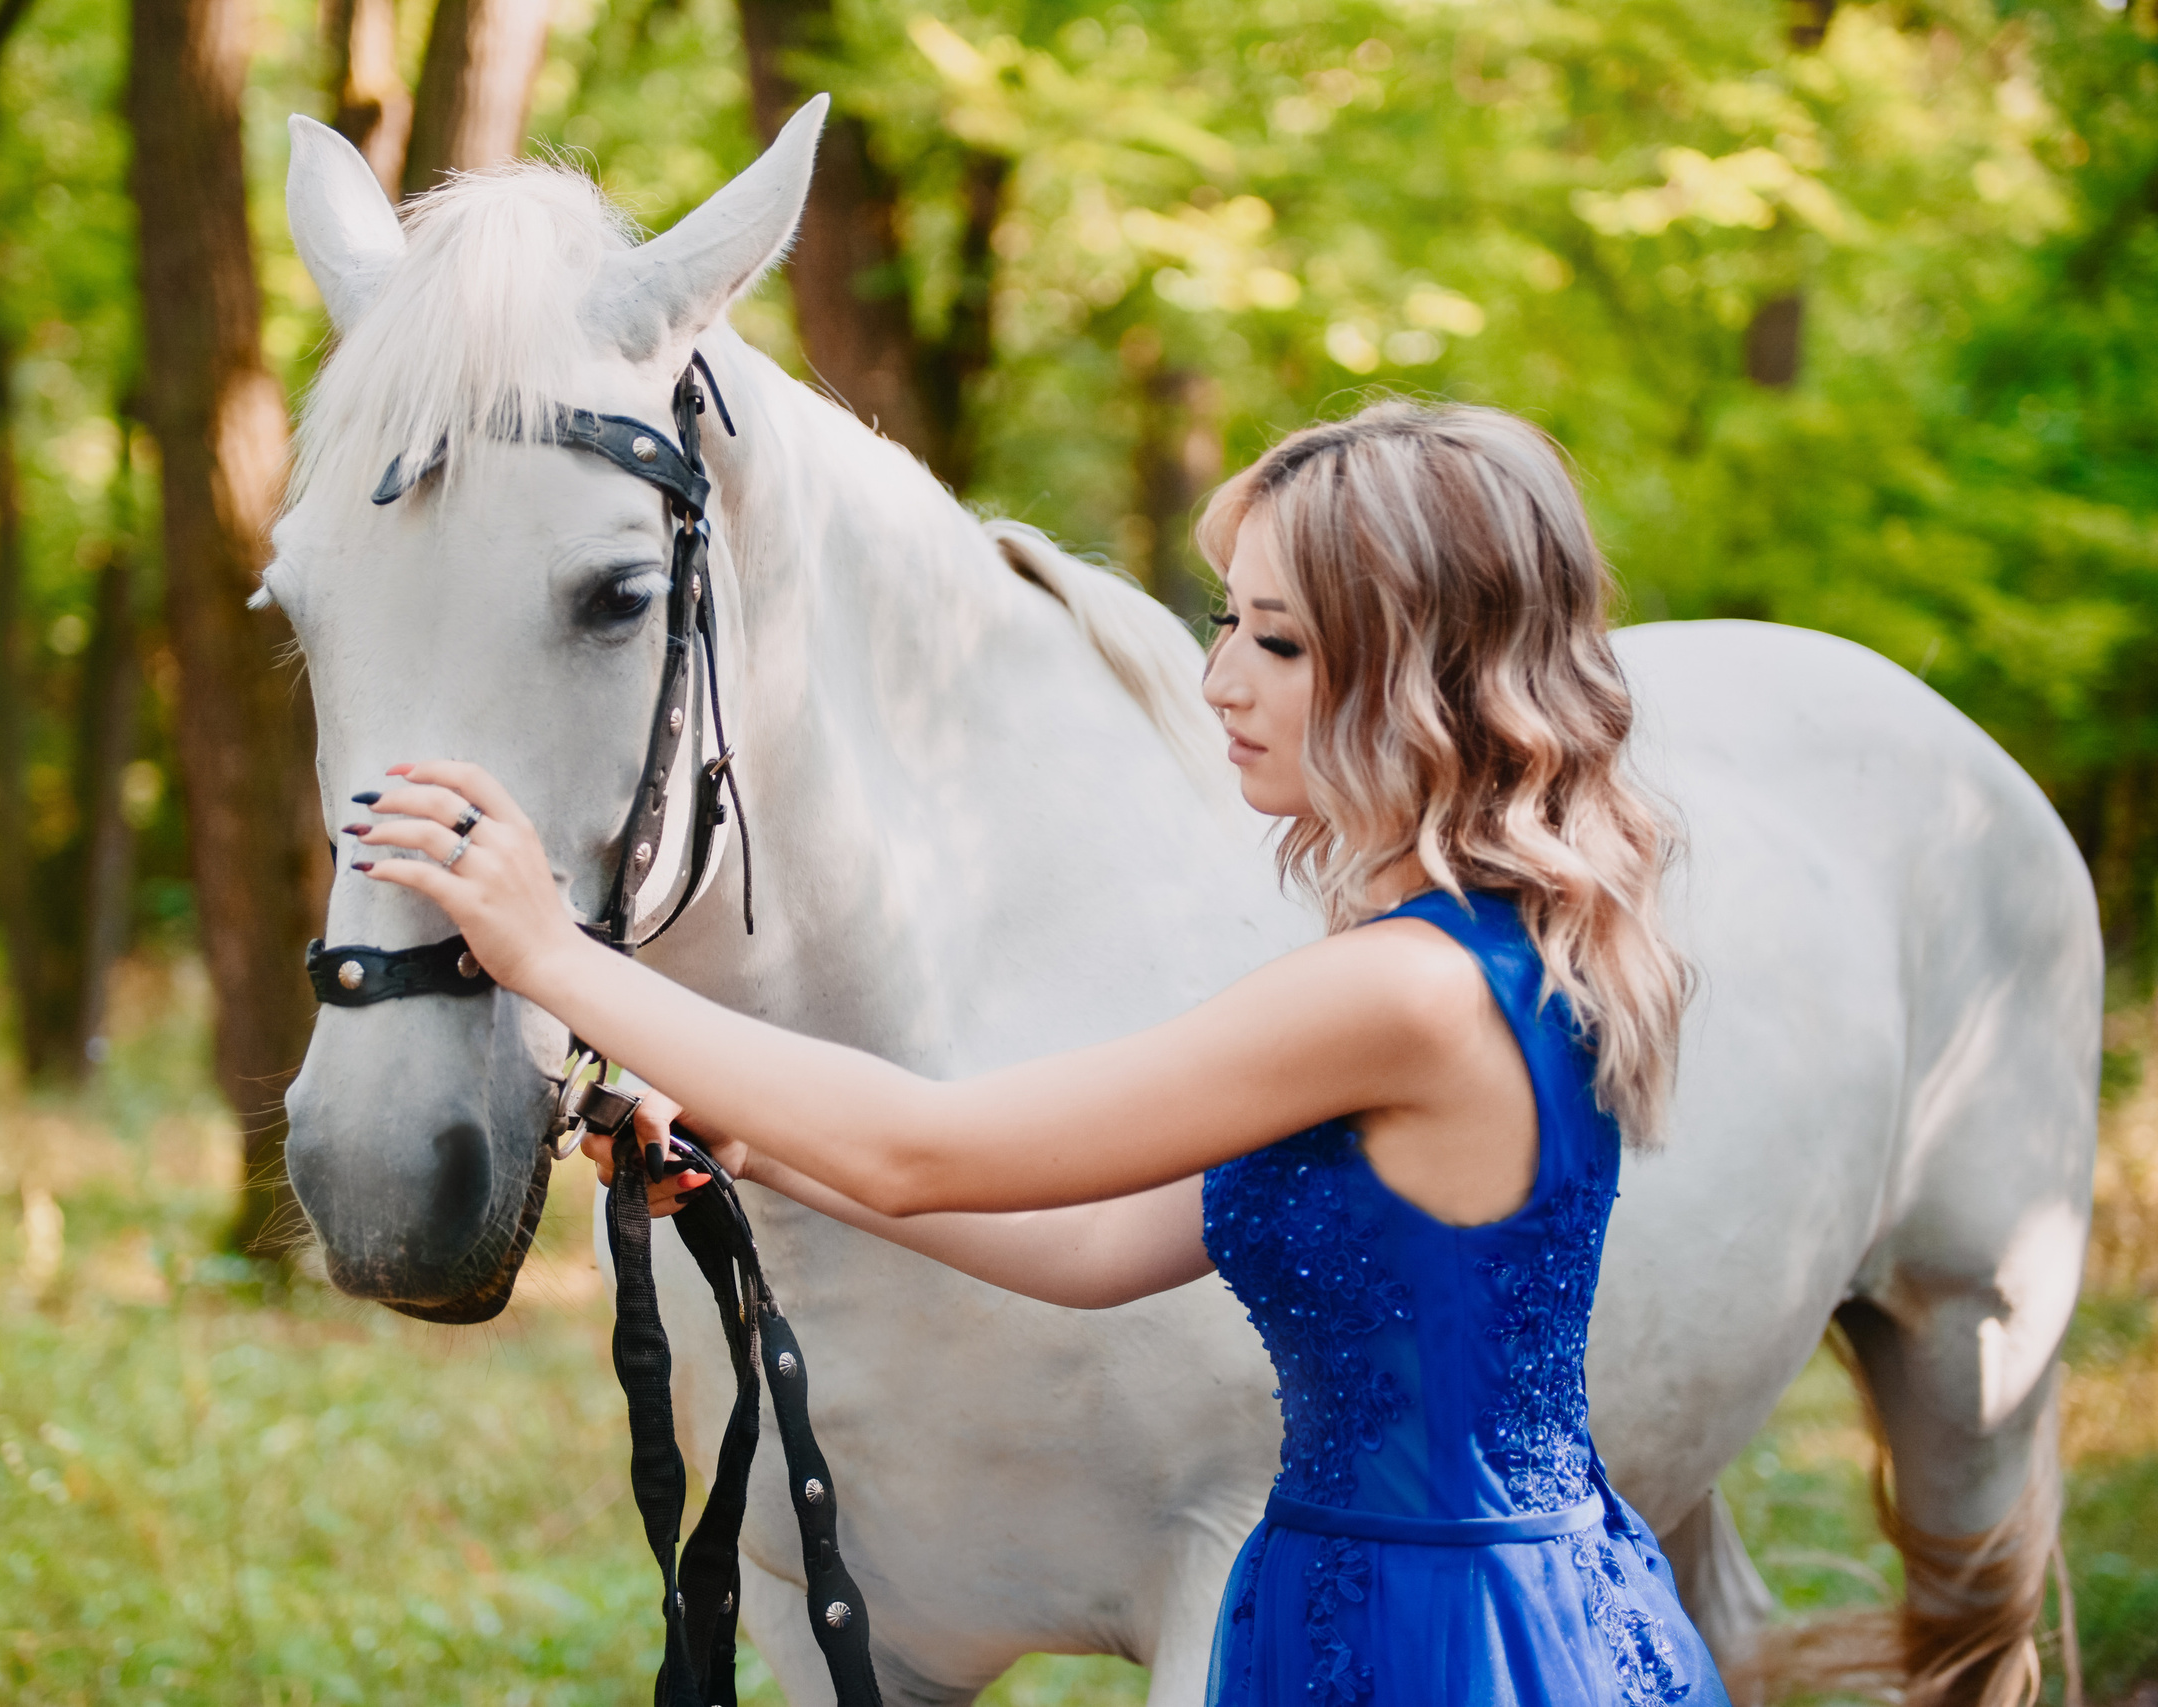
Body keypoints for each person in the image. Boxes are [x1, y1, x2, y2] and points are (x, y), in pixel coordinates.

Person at [342, 398, 1734, 1706]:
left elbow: (926, 1149)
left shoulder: (1400, 996)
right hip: (1391, 1594)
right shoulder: (1469, 959)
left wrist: (552, 955)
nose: (1219, 680)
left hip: (1434, 1637)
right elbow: (1097, 1249)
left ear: (1427, 669)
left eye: (1284, 644)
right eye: (1226, 624)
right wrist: (753, 1152)